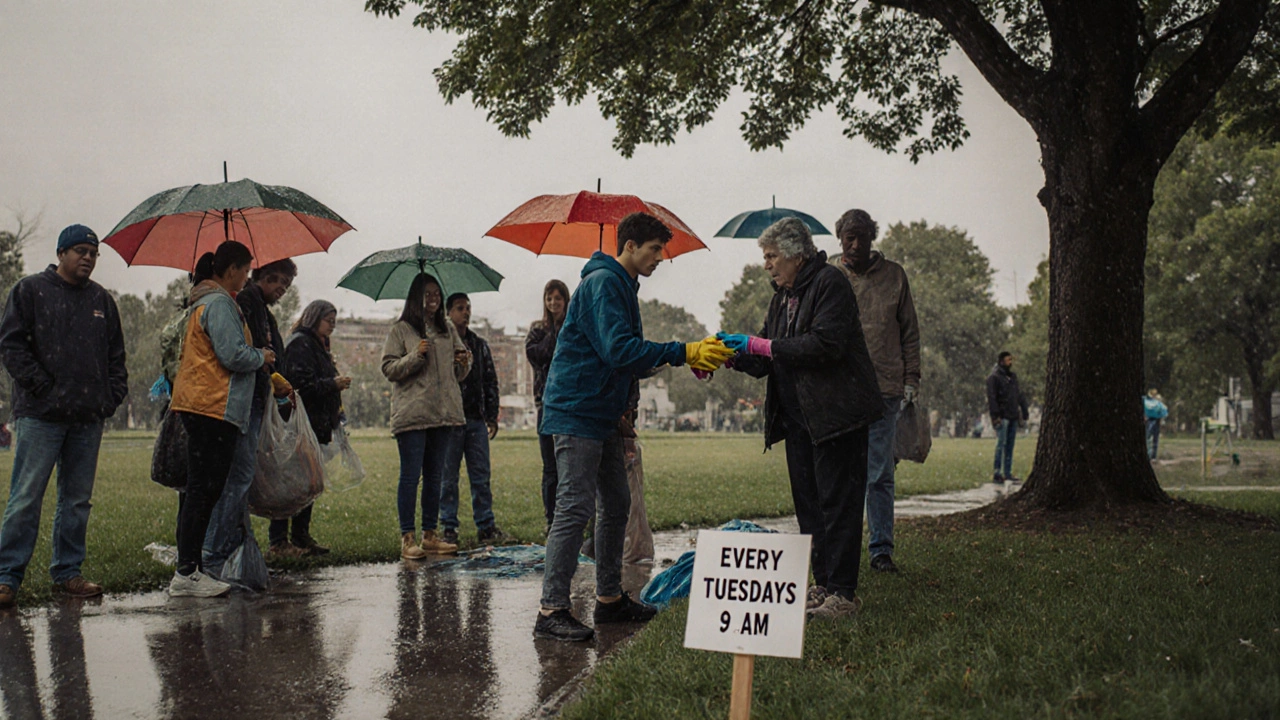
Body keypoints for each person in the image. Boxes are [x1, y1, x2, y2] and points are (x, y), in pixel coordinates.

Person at [535, 211, 733, 642]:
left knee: (617, 502)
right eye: (655, 249)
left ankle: (609, 600)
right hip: (575, 411)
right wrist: (682, 351)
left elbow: (625, 360)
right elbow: (619, 350)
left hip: (602, 414)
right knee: (574, 507)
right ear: (629, 246)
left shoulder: (622, 286)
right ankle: (551, 609)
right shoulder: (604, 283)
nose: (660, 257)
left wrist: (681, 363)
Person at [721, 217, 883, 620]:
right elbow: (765, 359)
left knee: (838, 505)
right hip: (798, 423)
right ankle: (824, 583)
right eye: (765, 257)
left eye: (772, 256)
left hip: (837, 417)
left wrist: (762, 344)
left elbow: (824, 345)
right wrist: (726, 355)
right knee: (810, 507)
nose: (767, 265)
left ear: (796, 254)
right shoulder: (781, 298)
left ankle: (844, 594)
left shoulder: (831, 283)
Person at [0, 225, 127, 609]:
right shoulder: (29, 291)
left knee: (76, 501)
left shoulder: (102, 301)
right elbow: (11, 346)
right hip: (40, 416)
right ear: (60, 253)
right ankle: (6, 577)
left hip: (88, 419)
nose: (87, 257)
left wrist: (110, 398)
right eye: (79, 250)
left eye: (93, 252)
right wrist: (44, 389)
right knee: (26, 497)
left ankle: (67, 573)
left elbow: (116, 358)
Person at [168, 240, 270, 597]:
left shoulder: (203, 302)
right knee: (203, 491)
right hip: (213, 406)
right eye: (245, 270)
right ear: (231, 270)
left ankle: (190, 569)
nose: (246, 277)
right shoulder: (220, 304)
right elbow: (232, 355)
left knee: (202, 491)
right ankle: (187, 573)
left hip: (203, 405)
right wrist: (262, 356)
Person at [830, 208, 920, 574]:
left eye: (861, 237)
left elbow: (910, 332)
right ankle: (839, 549)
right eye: (848, 237)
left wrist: (912, 379)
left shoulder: (894, 276)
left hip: (885, 386)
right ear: (839, 239)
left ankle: (881, 549)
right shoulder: (829, 274)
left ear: (872, 238)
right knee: (840, 474)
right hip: (840, 388)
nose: (854, 244)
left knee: (879, 473)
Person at [382, 273, 470, 559]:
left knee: (435, 477)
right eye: (426, 294)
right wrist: (415, 356)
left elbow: (456, 374)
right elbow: (389, 369)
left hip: (443, 413)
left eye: (436, 294)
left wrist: (463, 362)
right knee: (411, 476)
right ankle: (407, 538)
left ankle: (430, 535)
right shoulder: (401, 330)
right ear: (415, 297)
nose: (432, 299)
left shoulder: (447, 328)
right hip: (413, 413)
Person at [279, 300, 351, 554]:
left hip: (316, 424)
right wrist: (333, 384)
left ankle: (300, 535)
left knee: (309, 480)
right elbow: (301, 385)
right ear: (314, 317)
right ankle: (280, 540)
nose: (332, 325)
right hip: (302, 424)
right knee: (294, 481)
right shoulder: (301, 343)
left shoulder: (318, 345)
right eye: (328, 320)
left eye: (334, 321)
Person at [440, 292, 510, 546]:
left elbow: (490, 380)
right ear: (449, 313)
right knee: (448, 477)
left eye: (468, 308)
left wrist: (491, 415)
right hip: (450, 419)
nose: (466, 312)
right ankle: (448, 526)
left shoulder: (479, 345)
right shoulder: (442, 344)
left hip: (476, 419)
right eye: (460, 308)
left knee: (481, 475)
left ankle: (486, 525)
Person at [525, 279, 569, 532]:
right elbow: (537, 355)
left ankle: (569, 516)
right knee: (550, 466)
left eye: (558, 298)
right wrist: (554, 332)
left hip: (568, 402)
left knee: (569, 465)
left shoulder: (574, 326)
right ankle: (551, 518)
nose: (553, 303)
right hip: (546, 403)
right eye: (549, 298)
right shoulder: (538, 330)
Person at [986, 351, 1029, 483]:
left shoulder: (1012, 377)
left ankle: (1008, 472)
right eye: (1008, 360)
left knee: (1010, 445)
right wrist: (995, 415)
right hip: (1002, 415)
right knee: (1001, 444)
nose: (1010, 363)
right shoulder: (994, 378)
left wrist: (1024, 410)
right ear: (1001, 361)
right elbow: (992, 398)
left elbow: (1018, 394)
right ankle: (997, 472)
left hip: (1013, 415)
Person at [1143, 389, 1168, 460]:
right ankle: (1149, 455)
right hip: (1150, 420)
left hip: (1156, 421)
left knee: (1154, 439)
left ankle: (1153, 456)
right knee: (1149, 438)